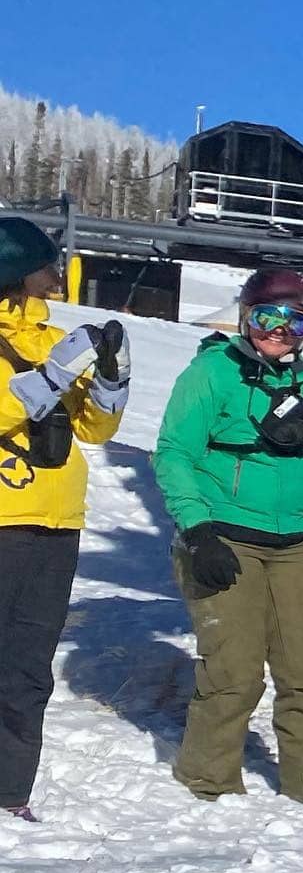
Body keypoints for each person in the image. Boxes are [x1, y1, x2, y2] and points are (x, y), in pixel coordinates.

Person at [153, 268, 303, 806]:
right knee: (235, 672)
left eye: (295, 321)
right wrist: (197, 531)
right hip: (225, 537)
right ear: (246, 316)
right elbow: (174, 453)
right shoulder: (212, 373)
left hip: (294, 546)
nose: (279, 330)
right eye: (268, 317)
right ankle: (208, 780)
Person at [0, 217, 129, 822]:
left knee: (28, 666)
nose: (58, 280)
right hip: (4, 518)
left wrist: (109, 379)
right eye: (48, 268)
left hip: (54, 525)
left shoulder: (50, 337)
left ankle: (10, 793)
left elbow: (94, 428)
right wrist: (52, 374)